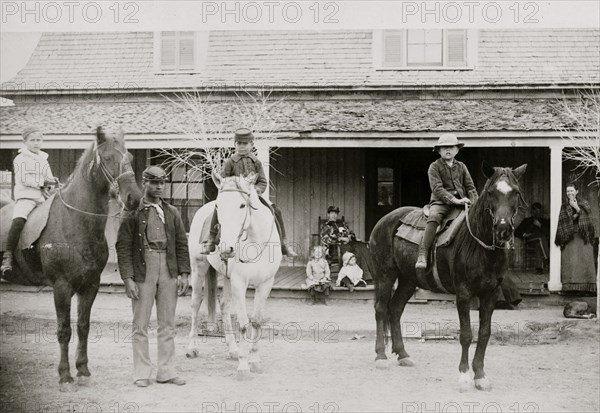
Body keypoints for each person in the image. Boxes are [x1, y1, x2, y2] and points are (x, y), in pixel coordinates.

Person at [116, 166, 191, 388]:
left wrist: (184, 273)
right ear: (144, 183)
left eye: (162, 183)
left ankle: (166, 371)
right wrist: (128, 278)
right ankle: (141, 372)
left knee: (167, 324)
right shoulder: (132, 212)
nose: (158, 187)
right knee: (140, 323)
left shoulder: (172, 212)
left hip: (168, 268)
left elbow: (181, 243)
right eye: (154, 183)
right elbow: (123, 247)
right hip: (143, 269)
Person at [200, 128, 297, 257]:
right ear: (234, 145)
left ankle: (284, 244)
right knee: (217, 210)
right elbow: (224, 181)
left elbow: (262, 182)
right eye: (238, 143)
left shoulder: (256, 162)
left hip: (252, 195)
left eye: (245, 144)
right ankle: (211, 239)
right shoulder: (230, 162)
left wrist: (256, 190)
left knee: (276, 210)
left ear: (251, 145)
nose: (241, 147)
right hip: (235, 197)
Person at [416, 133, 478, 270]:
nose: (448, 150)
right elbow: (437, 188)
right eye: (444, 148)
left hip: (462, 203)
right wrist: (455, 200)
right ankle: (423, 253)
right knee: (433, 218)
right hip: (441, 203)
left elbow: (470, 187)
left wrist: (474, 202)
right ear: (439, 150)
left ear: (457, 150)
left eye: (451, 147)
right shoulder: (434, 167)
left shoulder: (462, 167)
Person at [1, 126, 58, 275]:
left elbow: (49, 179)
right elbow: (24, 179)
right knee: (19, 220)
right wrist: (43, 183)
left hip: (43, 198)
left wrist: (54, 183)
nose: (36, 143)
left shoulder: (43, 159)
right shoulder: (20, 158)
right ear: (25, 141)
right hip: (26, 198)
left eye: (39, 140)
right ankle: (8, 256)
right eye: (32, 140)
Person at [554, 183, 597, 293]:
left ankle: (587, 288)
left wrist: (577, 208)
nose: (570, 193)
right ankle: (570, 288)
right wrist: (576, 213)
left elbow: (588, 219)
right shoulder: (564, 206)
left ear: (577, 191)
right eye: (568, 191)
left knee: (584, 261)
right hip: (570, 236)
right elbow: (565, 221)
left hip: (583, 236)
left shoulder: (584, 203)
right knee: (570, 262)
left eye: (572, 191)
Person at [515, 202, 550, 273]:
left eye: (538, 210)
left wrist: (540, 225)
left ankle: (539, 269)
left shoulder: (544, 221)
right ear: (532, 211)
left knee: (539, 244)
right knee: (540, 238)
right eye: (535, 210)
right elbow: (516, 232)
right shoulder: (527, 221)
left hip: (542, 242)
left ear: (540, 211)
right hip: (530, 240)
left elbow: (549, 232)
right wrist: (524, 234)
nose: (537, 212)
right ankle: (547, 259)